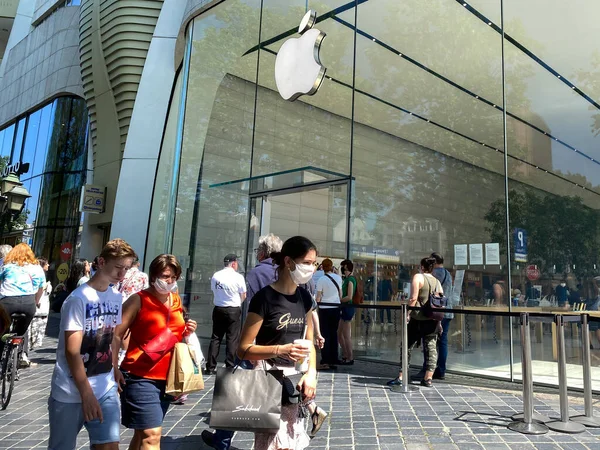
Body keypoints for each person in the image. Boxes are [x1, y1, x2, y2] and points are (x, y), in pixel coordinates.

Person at [48, 238, 136, 450]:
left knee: (108, 446)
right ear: (101, 262)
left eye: (126, 268)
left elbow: (113, 336)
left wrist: (115, 367)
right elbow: (72, 351)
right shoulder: (79, 298)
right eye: (118, 267)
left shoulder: (116, 296)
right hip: (70, 390)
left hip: (104, 385)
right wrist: (86, 394)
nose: (122, 274)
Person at [237, 235, 317, 450]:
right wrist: (281, 349)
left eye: (314, 264)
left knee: (291, 443)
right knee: (274, 445)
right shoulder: (264, 298)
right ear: (288, 262)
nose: (311, 269)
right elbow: (243, 349)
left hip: (295, 384)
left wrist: (311, 374)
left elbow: (309, 343)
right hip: (269, 382)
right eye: (306, 263)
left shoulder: (305, 297)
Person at [203, 235, 282, 450]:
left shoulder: (257, 273)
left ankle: (222, 439)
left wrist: (247, 341)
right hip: (283, 343)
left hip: (257, 341)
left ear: (264, 251)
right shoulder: (285, 272)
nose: (256, 252)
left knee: (235, 387)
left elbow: (250, 307)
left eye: (258, 249)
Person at [115, 254, 197, 450]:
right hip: (140, 377)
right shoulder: (138, 300)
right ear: (153, 276)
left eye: (173, 277)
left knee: (142, 434)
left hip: (169, 378)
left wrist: (187, 330)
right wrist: (113, 367)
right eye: (165, 276)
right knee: (152, 436)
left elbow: (174, 333)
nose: (169, 281)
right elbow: (116, 335)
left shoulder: (176, 300)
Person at [388, 256, 442, 388]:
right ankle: (428, 378)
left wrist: (407, 313)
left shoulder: (418, 277)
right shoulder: (437, 281)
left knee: (406, 346)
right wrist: (439, 322)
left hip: (418, 318)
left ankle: (402, 376)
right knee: (431, 348)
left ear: (422, 267)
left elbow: (413, 298)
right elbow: (440, 303)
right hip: (432, 320)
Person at [0, 243, 45, 365]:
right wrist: (36, 302)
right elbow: (41, 288)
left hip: (7, 302)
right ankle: (19, 354)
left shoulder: (7, 266)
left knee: (2, 331)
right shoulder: (37, 268)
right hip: (28, 303)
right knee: (21, 332)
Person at [205, 254, 247, 375]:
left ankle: (210, 367)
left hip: (218, 308)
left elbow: (214, 290)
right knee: (232, 338)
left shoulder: (216, 276)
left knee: (216, 337)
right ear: (234, 263)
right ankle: (229, 365)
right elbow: (243, 294)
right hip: (233, 309)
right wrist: (238, 303)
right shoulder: (238, 277)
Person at [418, 252, 453, 381]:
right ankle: (441, 370)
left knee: (429, 340)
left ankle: (427, 369)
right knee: (443, 342)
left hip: (435, 312)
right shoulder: (448, 274)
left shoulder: (434, 273)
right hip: (447, 311)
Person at [315, 258, 342, 370]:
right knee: (333, 333)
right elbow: (340, 295)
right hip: (336, 308)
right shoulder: (338, 278)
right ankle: (334, 358)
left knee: (325, 333)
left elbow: (319, 297)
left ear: (322, 267)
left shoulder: (321, 279)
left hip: (324, 308)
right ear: (331, 267)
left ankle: (325, 358)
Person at [28, 257, 51, 351]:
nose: (48, 265)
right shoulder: (39, 274)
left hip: (40, 307)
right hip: (38, 307)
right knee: (34, 329)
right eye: (47, 263)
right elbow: (39, 289)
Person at [338, 259, 356, 365]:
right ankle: (345, 354)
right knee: (339, 333)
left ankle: (350, 357)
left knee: (346, 334)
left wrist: (339, 299)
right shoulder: (347, 279)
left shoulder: (350, 280)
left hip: (347, 307)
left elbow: (349, 296)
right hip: (344, 307)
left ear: (345, 267)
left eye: (343, 267)